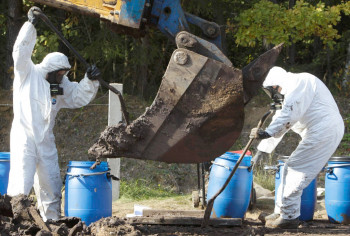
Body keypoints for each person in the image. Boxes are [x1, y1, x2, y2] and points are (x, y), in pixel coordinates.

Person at [7, 6, 101, 222]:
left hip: (46, 141)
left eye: (63, 75)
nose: (61, 79)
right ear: (49, 70)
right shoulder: (28, 74)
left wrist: (90, 79)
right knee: (20, 186)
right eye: (58, 75)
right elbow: (20, 52)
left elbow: (78, 96)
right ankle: (12, 225)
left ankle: (52, 224)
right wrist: (30, 26)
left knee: (51, 185)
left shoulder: (61, 84)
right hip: (25, 139)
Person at [250, 66, 344, 229]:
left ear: (276, 85)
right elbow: (279, 120)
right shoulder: (290, 94)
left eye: (271, 90)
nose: (271, 94)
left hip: (325, 131)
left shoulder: (299, 82)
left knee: (295, 169)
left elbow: (288, 116)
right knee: (287, 168)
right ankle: (281, 212)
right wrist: (261, 151)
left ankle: (289, 217)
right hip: (319, 132)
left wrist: (266, 133)